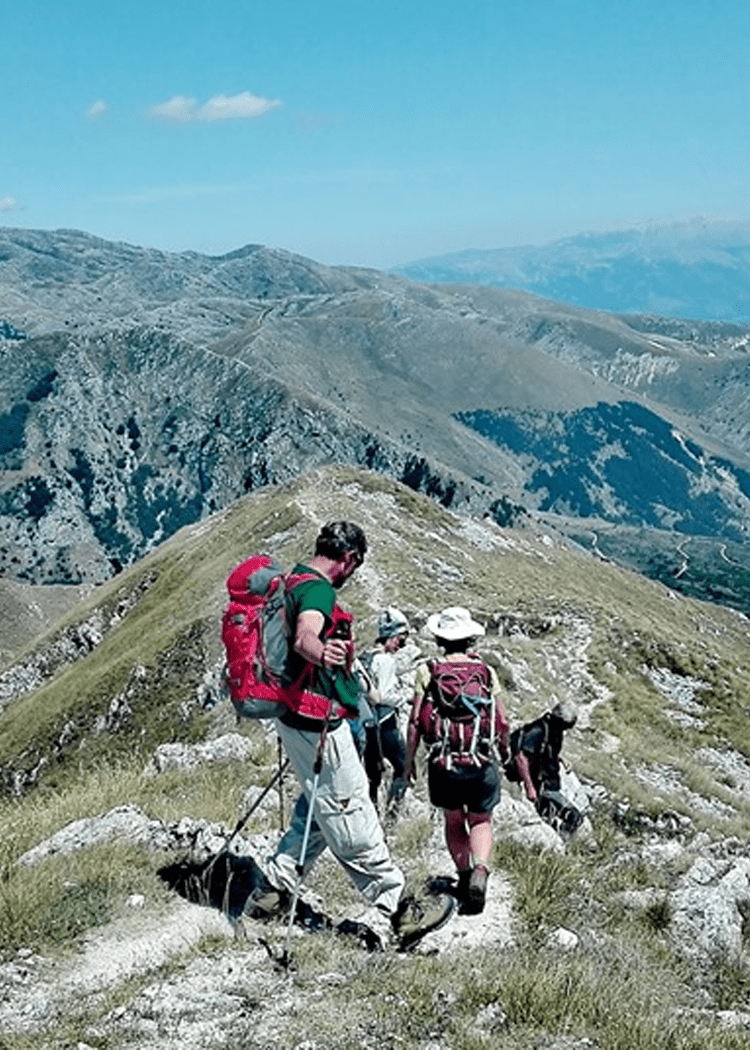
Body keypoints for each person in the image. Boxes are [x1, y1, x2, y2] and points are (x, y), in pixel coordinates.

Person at [244, 522, 454, 949]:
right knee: (349, 807)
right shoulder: (319, 591)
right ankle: (391, 905)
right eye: (356, 565)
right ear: (350, 559)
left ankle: (273, 889)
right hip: (320, 721)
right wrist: (324, 651)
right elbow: (305, 636)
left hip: (293, 714)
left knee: (318, 803)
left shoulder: (293, 578)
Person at [406, 606, 509, 915]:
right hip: (481, 759)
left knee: (453, 819)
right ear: (469, 639)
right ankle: (480, 870)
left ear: (440, 638)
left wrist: (409, 761)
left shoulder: (428, 670)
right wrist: (503, 752)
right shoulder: (486, 671)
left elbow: (414, 722)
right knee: (481, 819)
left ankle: (463, 877)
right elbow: (501, 719)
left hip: (443, 762)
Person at [358, 607, 412, 817]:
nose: (401, 645)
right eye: (400, 639)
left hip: (367, 724)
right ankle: (393, 813)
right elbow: (385, 695)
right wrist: (404, 696)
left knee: (372, 775)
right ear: (391, 636)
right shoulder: (386, 661)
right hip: (386, 723)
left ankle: (370, 815)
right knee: (404, 768)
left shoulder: (365, 657)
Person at [510, 700, 583, 837]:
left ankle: (558, 840)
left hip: (550, 785)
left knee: (551, 819)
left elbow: (544, 753)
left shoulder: (555, 730)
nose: (566, 729)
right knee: (574, 817)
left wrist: (560, 759)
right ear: (560, 720)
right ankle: (561, 843)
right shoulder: (538, 730)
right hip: (542, 788)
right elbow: (521, 757)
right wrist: (529, 786)